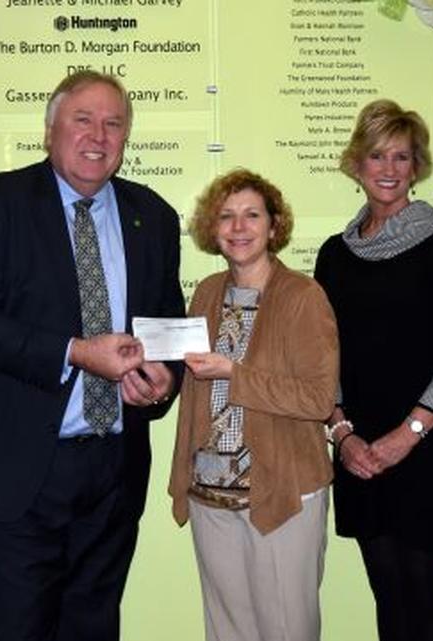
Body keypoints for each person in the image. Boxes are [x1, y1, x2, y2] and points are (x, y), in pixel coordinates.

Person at [0, 70, 185, 641]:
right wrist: (75, 352)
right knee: (20, 628)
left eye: (114, 123)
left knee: (95, 626)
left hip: (114, 469)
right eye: (83, 119)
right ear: (50, 128)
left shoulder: (154, 216)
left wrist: (162, 382)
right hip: (21, 465)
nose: (98, 135)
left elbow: (167, 328)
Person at [313, 99, 433, 641]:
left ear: (417, 167)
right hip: (359, 453)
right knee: (387, 597)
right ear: (356, 164)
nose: (388, 169)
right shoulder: (334, 255)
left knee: (425, 602)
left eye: (402, 157)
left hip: (425, 449)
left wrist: (404, 438)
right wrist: (344, 436)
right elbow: (323, 356)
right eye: (377, 155)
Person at [169, 169, 339, 641]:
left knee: (287, 629)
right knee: (227, 631)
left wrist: (234, 374)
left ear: (273, 225)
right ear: (212, 227)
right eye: (226, 216)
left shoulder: (304, 296)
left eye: (251, 215)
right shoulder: (205, 292)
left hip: (281, 493)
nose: (238, 227)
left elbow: (318, 397)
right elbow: (190, 384)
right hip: (210, 492)